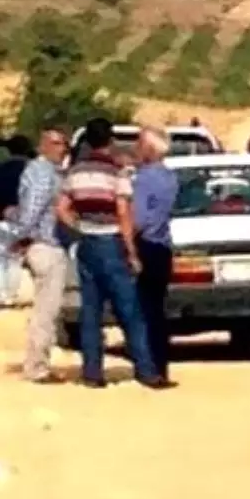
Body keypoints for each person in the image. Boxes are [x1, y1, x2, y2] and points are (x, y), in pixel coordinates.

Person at [56, 116, 168, 390]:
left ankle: (93, 373)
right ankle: (146, 370)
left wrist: (80, 228)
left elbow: (61, 208)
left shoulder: (75, 172)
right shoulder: (117, 172)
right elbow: (123, 212)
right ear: (110, 140)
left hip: (87, 246)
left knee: (91, 311)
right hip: (111, 243)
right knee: (130, 310)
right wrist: (131, 252)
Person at [9, 127, 69, 384]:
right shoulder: (44, 173)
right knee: (47, 310)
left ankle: (37, 363)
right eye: (56, 144)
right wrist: (21, 236)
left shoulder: (39, 171)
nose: (62, 149)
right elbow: (32, 210)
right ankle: (37, 368)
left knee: (46, 310)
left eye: (64, 144)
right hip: (46, 245)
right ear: (43, 145)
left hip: (41, 244)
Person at [132, 127, 179, 385]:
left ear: (149, 149)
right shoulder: (170, 178)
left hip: (146, 245)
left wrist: (125, 241)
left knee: (143, 310)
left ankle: (148, 367)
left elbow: (138, 218)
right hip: (163, 246)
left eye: (139, 144)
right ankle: (161, 366)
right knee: (158, 310)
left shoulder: (143, 179)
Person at [0, 135, 35, 307]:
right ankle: (10, 295)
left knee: (0, 257)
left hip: (1, 216)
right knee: (15, 258)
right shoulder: (32, 170)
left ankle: (1, 293)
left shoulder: (1, 168)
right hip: (21, 218)